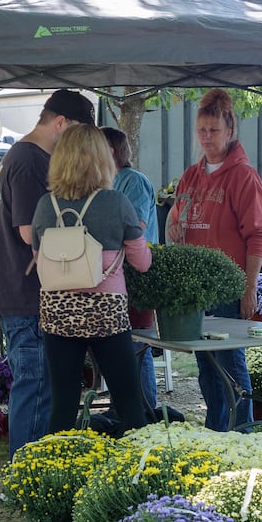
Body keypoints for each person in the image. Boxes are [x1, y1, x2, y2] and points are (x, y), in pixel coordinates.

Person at [0, 88, 96, 455]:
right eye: (77, 135)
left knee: (40, 385)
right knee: (34, 386)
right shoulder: (31, 159)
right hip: (26, 291)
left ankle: (29, 471)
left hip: (22, 289)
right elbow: (30, 230)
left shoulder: (19, 155)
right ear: (60, 123)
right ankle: (24, 472)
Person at [32, 124, 153, 434]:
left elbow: (37, 256)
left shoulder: (46, 206)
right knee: (129, 403)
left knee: (62, 404)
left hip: (58, 313)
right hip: (106, 313)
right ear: (101, 159)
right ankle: (141, 471)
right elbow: (141, 262)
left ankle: (57, 472)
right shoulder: (116, 203)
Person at [165, 88, 262, 431]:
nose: (206, 137)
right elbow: (177, 217)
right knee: (206, 366)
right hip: (196, 290)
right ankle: (216, 431)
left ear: (230, 131)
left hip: (228, 287)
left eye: (213, 130)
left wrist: (249, 286)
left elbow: (257, 234)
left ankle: (242, 432)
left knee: (229, 363)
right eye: (201, 130)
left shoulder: (243, 176)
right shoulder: (192, 175)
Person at [102, 126, 162, 417]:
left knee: (137, 346)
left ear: (110, 151)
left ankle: (145, 412)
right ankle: (123, 411)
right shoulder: (109, 182)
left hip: (137, 277)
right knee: (120, 348)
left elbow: (136, 228)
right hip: (115, 278)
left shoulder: (133, 182)